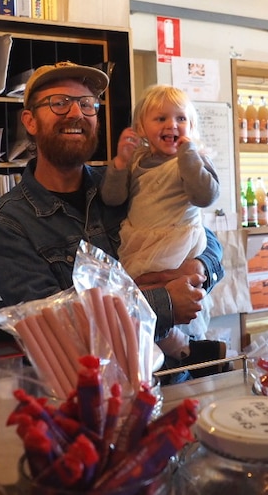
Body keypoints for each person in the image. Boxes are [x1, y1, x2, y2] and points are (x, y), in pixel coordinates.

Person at [0, 61, 225, 378]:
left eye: (87, 105)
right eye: (59, 103)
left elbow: (207, 239)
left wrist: (198, 268)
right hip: (88, 397)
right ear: (30, 121)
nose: (76, 113)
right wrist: (163, 301)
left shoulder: (125, 184)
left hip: (171, 381)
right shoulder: (6, 224)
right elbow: (57, 327)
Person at [100, 84, 220, 364]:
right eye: (161, 118)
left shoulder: (195, 159)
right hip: (140, 240)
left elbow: (205, 196)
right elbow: (113, 198)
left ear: (191, 125)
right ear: (141, 127)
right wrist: (119, 163)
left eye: (181, 119)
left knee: (175, 295)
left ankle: (185, 347)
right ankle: (176, 350)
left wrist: (189, 155)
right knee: (136, 294)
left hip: (178, 240)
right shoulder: (138, 161)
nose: (172, 125)